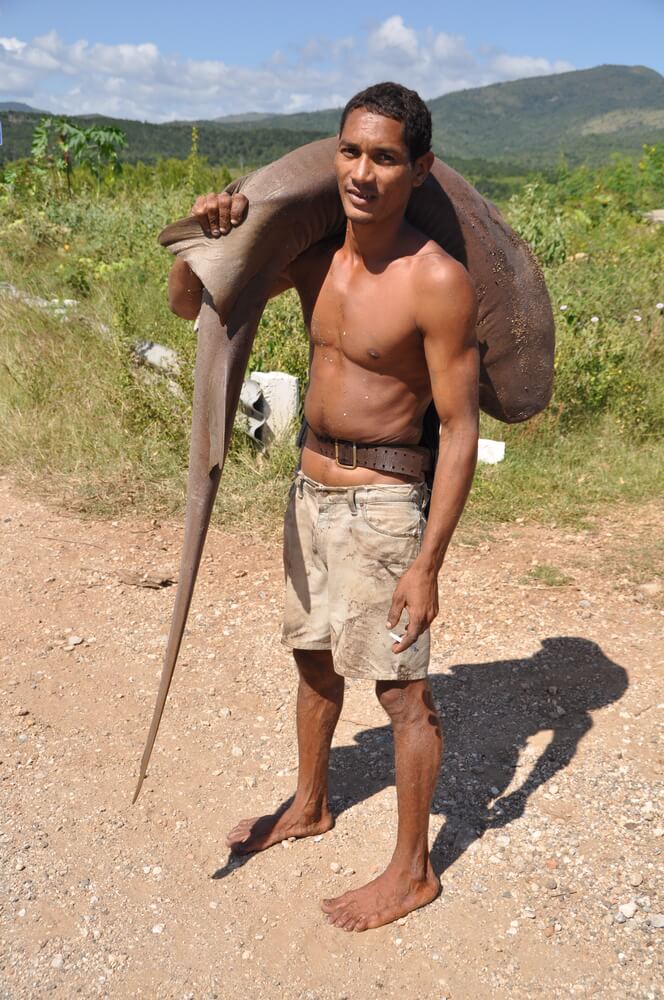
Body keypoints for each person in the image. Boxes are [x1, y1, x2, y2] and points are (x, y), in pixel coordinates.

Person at [168, 82, 479, 932]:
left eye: (385, 158)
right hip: (308, 490)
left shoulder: (436, 280)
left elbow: (457, 429)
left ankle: (413, 872)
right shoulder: (314, 259)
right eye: (351, 152)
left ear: (418, 169)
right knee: (312, 662)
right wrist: (209, 234)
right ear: (333, 155)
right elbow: (191, 303)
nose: (363, 173)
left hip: (384, 504)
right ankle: (311, 803)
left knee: (402, 695)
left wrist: (428, 562)